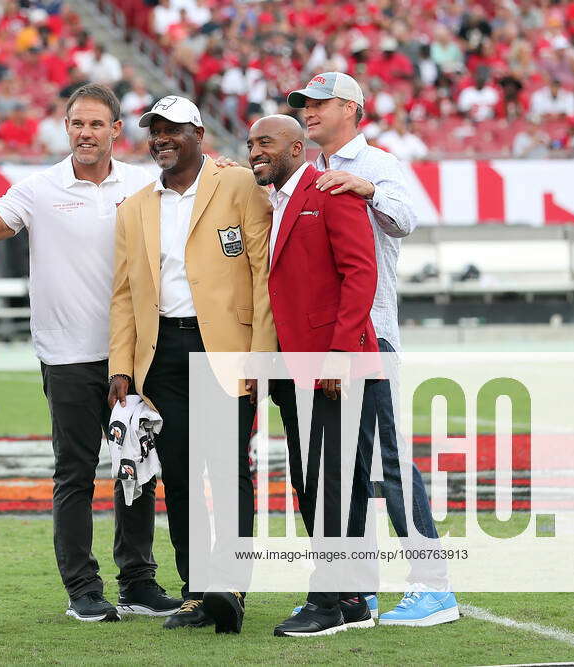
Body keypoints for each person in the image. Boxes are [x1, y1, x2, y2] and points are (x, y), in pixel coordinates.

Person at [0, 84, 180, 623]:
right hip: (68, 353)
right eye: (77, 124)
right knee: (74, 473)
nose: (86, 133)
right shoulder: (39, 187)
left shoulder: (146, 184)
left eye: (97, 124)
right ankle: (82, 589)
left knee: (137, 469)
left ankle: (138, 583)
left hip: (134, 354)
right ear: (66, 128)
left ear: (116, 130)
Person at [288, 71, 458, 625]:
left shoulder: (378, 163)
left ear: (352, 108)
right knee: (347, 465)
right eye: (303, 105)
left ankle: (434, 584)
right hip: (331, 337)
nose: (308, 111)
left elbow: (407, 220)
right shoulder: (309, 171)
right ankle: (357, 591)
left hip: (371, 330)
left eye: (319, 103)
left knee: (386, 455)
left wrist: (370, 191)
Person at [107, 95, 276, 634]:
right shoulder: (134, 207)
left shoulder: (240, 185)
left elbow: (263, 274)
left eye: (171, 129)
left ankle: (231, 587)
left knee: (228, 471)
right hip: (164, 355)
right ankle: (197, 591)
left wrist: (262, 356)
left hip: (225, 349)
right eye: (153, 130)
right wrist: (121, 366)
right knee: (177, 476)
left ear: (198, 133)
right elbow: (124, 295)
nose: (160, 138)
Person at [246, 114, 378, 638]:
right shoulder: (275, 200)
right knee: (313, 478)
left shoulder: (331, 190)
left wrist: (340, 354)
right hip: (292, 365)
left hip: (331, 362)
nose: (256, 150)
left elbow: (359, 271)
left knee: (328, 480)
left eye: (266, 142)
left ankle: (325, 601)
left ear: (298, 148)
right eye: (251, 142)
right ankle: (347, 597)